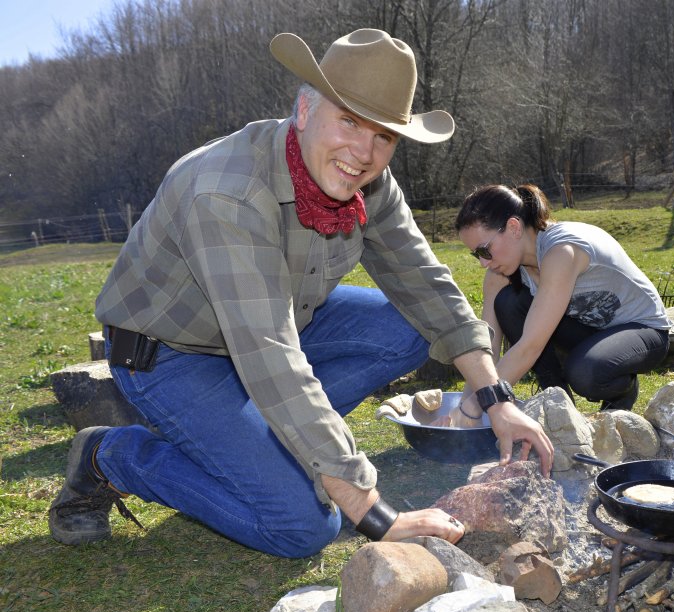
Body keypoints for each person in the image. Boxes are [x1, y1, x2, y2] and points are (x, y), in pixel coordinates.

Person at [47, 29, 553, 558]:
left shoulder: (369, 181)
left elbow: (425, 283)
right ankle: (114, 455)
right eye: (349, 121)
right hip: (172, 354)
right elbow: (269, 354)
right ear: (305, 109)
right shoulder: (227, 192)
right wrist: (375, 514)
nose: (363, 152)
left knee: (411, 325)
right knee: (303, 527)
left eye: (384, 136)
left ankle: (264, 442)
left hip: (281, 322)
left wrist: (498, 400)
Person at [452, 183, 670, 417]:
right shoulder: (498, 274)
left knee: (586, 373)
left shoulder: (562, 251)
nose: (483, 263)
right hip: (590, 331)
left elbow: (530, 347)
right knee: (508, 302)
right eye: (476, 255)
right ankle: (559, 406)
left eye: (485, 250)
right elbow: (489, 347)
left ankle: (622, 390)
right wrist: (465, 403)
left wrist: (477, 405)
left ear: (513, 227)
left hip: (643, 331)